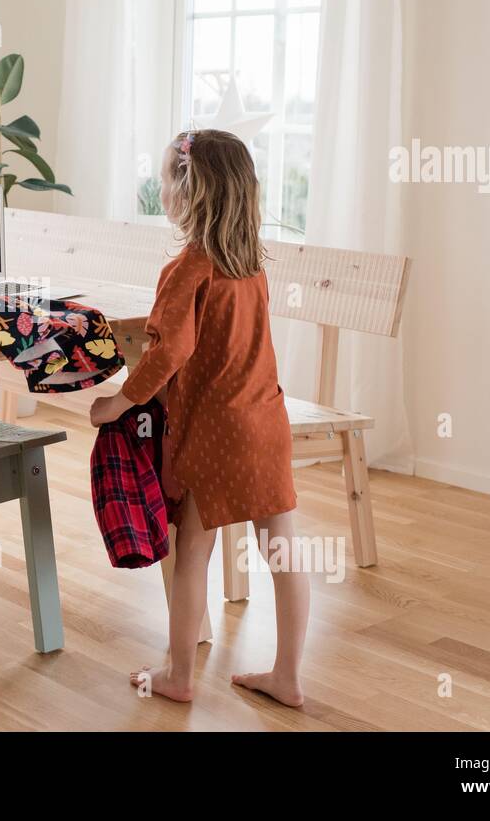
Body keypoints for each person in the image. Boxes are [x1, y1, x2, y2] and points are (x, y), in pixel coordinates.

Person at [89, 129, 309, 708]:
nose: (159, 187)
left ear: (187, 193)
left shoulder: (188, 268)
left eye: (164, 178)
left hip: (214, 434)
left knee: (192, 552)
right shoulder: (250, 266)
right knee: (283, 550)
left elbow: (169, 352)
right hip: (267, 424)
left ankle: (179, 674)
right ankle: (288, 676)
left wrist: (120, 400)